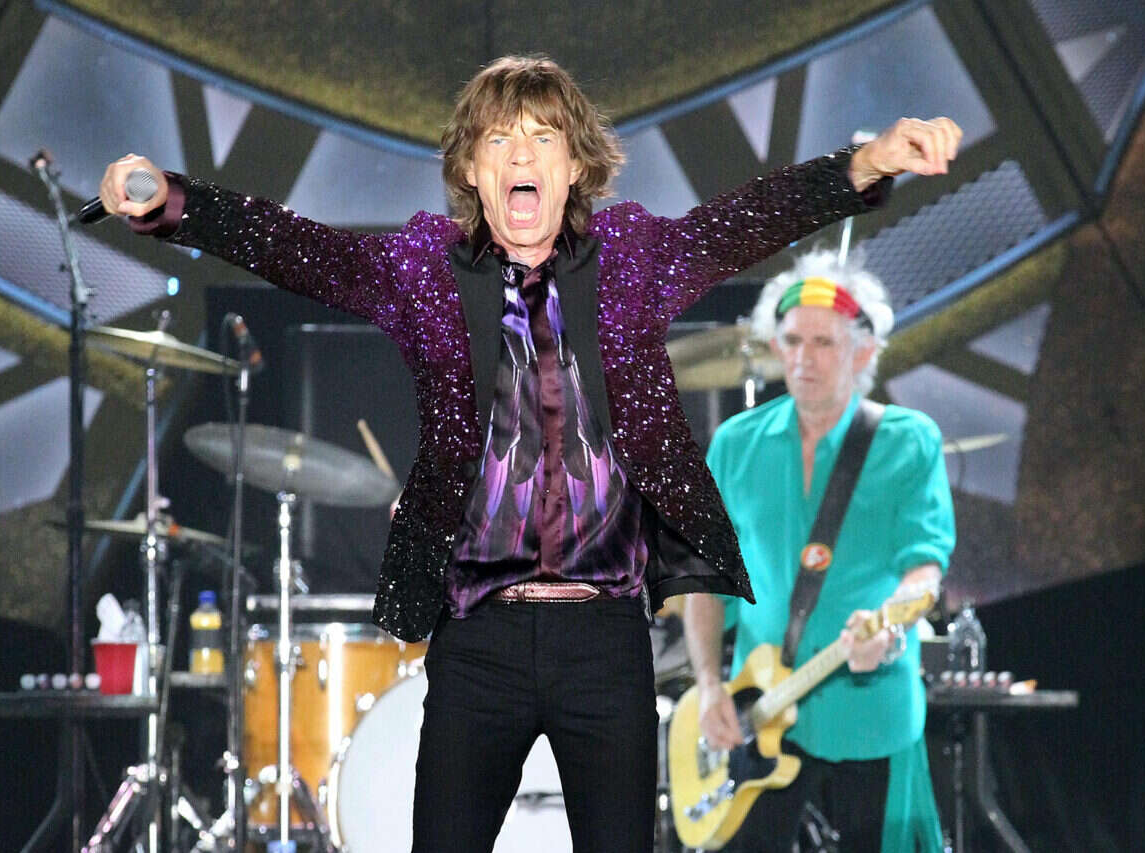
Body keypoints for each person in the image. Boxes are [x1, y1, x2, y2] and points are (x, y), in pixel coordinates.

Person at [99, 55, 959, 852]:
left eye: (544, 138)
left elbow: (749, 218)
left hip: (605, 636)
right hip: (480, 635)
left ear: (575, 166)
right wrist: (173, 202)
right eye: (499, 140)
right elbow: (302, 249)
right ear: (472, 171)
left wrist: (869, 162)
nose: (521, 154)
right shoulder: (424, 271)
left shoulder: (633, 259)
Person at [684, 249, 957, 853]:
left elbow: (925, 567)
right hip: (759, 712)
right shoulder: (735, 444)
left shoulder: (908, 442)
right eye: (791, 340)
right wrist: (707, 685)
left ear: (863, 352)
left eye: (824, 343)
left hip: (872, 715)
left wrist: (888, 628)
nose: (803, 358)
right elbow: (705, 583)